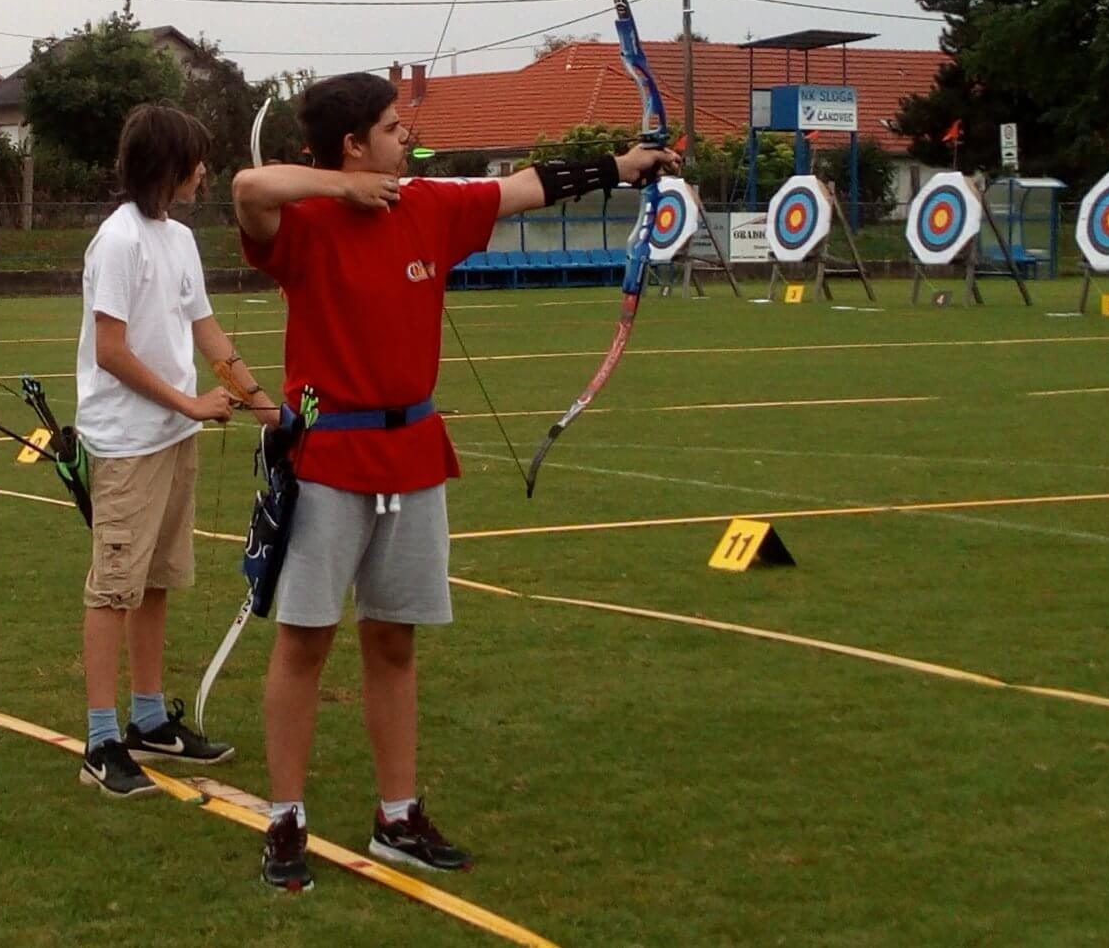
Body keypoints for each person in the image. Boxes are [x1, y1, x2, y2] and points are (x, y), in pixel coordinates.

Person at [232, 71, 678, 890]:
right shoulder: (303, 220)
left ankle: (397, 815)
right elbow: (247, 185)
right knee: (305, 642)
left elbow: (525, 187)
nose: (408, 138)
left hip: (414, 453)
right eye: (394, 129)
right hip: (331, 456)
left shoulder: (430, 205)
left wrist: (625, 164)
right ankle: (285, 817)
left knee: (394, 641)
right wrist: (345, 189)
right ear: (353, 144)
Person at [74, 105, 278, 799]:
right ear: (167, 165)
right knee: (113, 588)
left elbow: (207, 331)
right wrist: (190, 403)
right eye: (195, 160)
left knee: (157, 581)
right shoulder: (118, 240)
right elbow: (110, 351)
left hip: (171, 436)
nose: (204, 172)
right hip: (128, 441)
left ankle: (150, 719)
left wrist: (259, 401)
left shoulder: (179, 239)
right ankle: (102, 740)